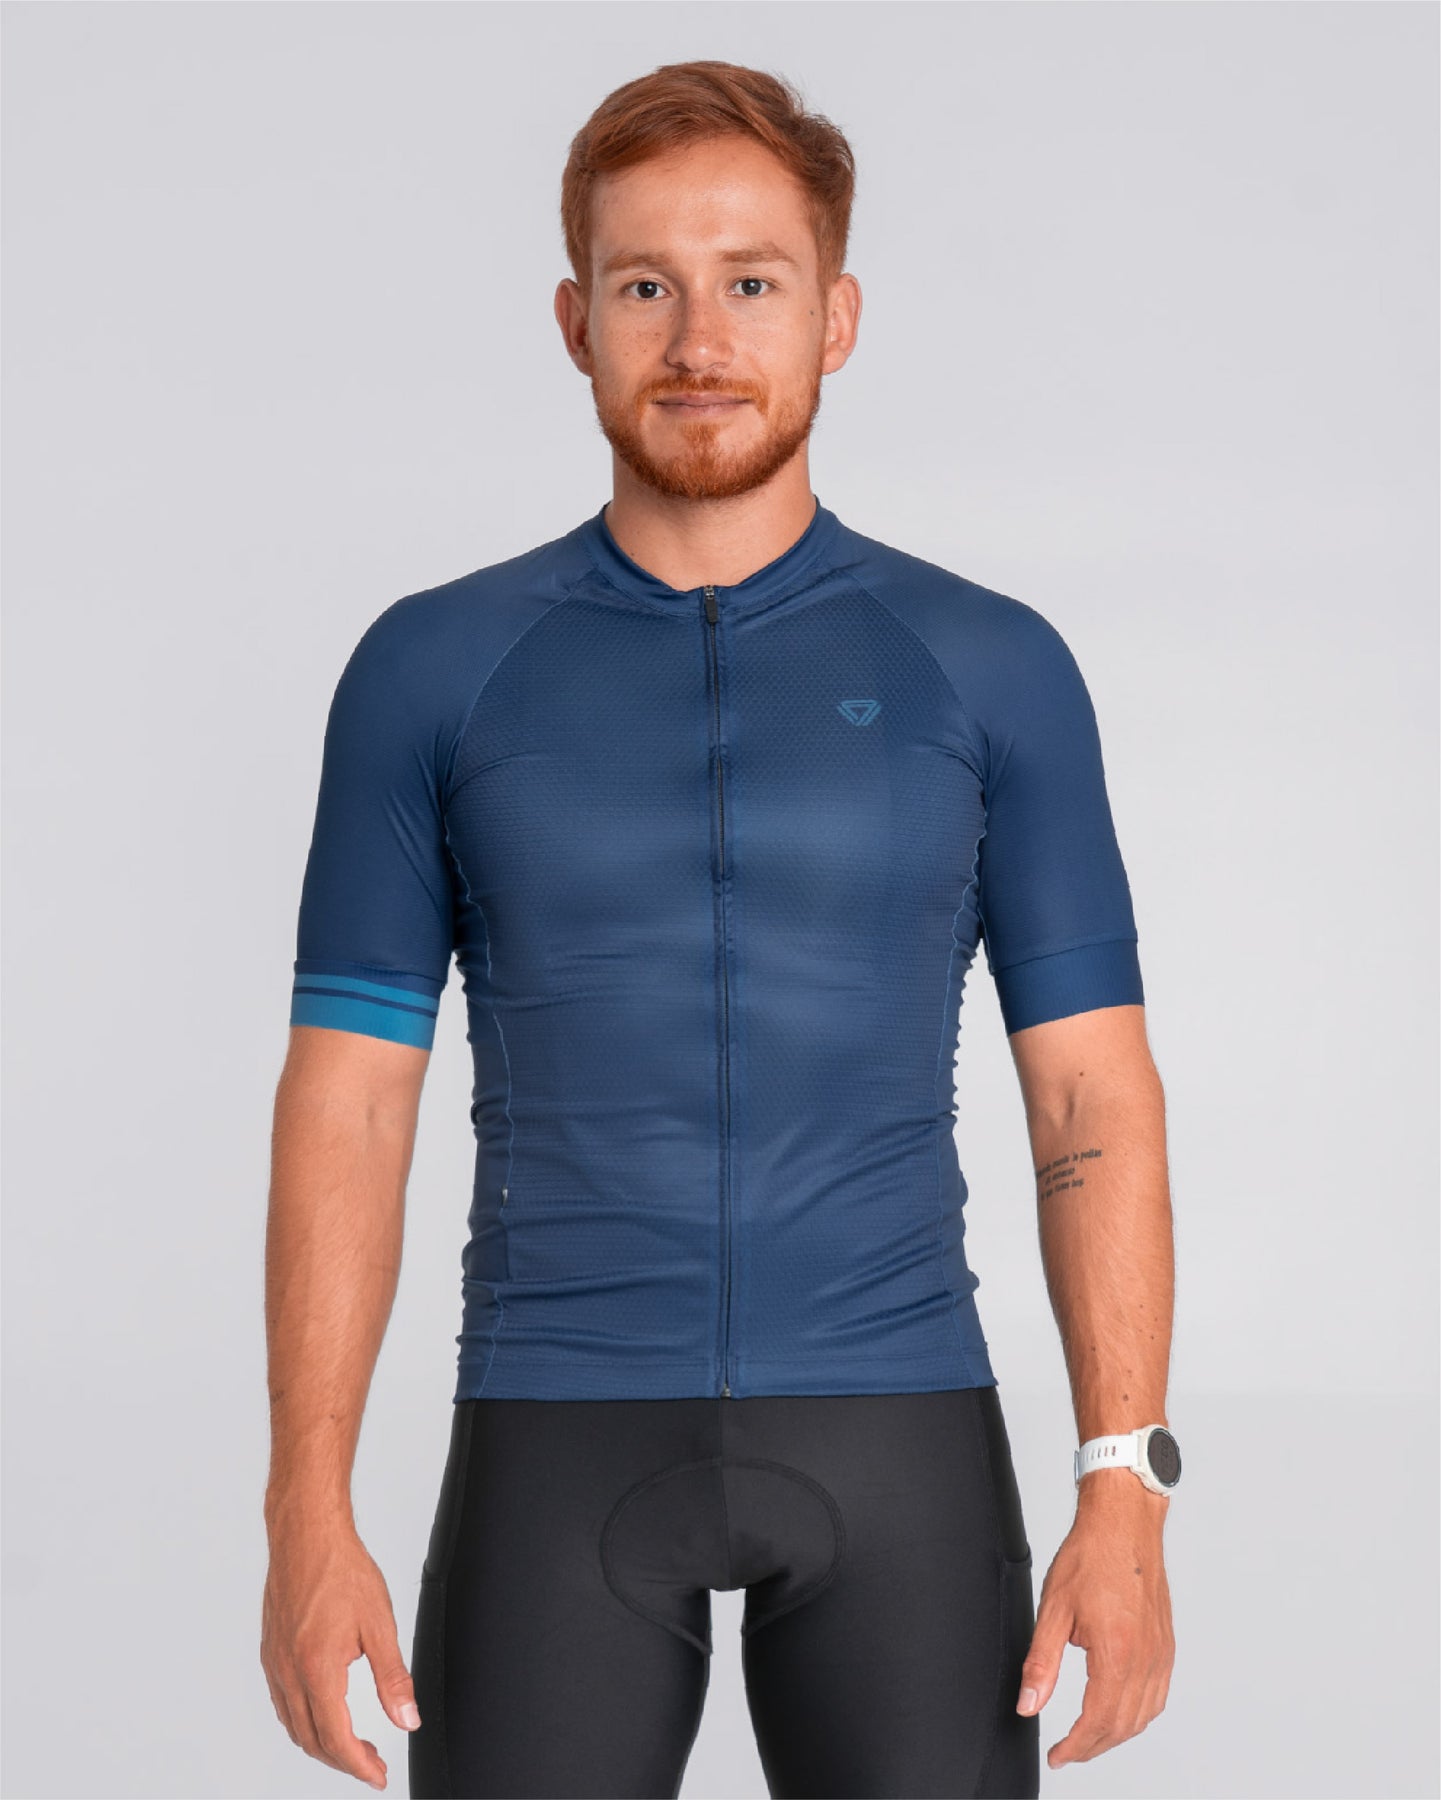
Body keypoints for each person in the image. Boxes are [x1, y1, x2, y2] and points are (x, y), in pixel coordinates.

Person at [260, 59, 1178, 1800]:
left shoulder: (987, 668)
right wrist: (306, 1513)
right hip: (553, 1433)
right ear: (573, 321)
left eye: (751, 281)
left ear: (835, 317)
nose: (698, 338)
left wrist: (1121, 1486)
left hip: (899, 1428)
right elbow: (350, 1104)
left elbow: (1089, 1097)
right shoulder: (432, 669)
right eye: (643, 286)